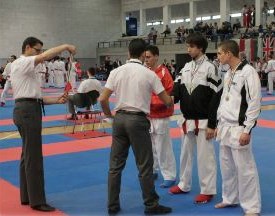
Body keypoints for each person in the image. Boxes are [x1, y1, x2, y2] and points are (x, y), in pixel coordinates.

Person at [99, 38, 173, 215]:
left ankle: (112, 205)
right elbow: (166, 100)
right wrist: (171, 101)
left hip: (119, 119)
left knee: (115, 165)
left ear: (128, 53)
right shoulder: (149, 74)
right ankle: (151, 204)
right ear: (142, 55)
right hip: (138, 120)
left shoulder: (116, 71)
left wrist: (109, 115)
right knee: (145, 165)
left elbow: (102, 98)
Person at [10, 36, 76, 212]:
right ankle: (37, 200)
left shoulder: (26, 68)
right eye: (37, 50)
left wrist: (56, 100)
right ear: (28, 48)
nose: (39, 54)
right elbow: (44, 57)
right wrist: (65, 44)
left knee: (27, 155)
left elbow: (35, 96)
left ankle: (27, 196)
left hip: (29, 108)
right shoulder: (22, 62)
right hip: (27, 111)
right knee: (34, 157)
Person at [169, 33, 223, 204]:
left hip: (205, 120)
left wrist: (213, 125)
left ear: (200, 48)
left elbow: (216, 97)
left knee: (205, 156)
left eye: (191, 46)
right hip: (187, 118)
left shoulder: (211, 68)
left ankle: (207, 190)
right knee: (185, 154)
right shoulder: (185, 67)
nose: (188, 49)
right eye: (188, 46)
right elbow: (176, 89)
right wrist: (169, 99)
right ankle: (184, 184)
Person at [215, 40, 261, 216]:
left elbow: (254, 102)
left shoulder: (248, 72)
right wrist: (219, 123)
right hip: (225, 126)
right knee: (226, 166)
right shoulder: (228, 73)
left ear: (228, 53)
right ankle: (230, 198)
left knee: (245, 168)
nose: (218, 57)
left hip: (239, 127)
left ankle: (252, 207)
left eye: (220, 53)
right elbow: (223, 100)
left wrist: (247, 129)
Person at [145, 45, 177, 188]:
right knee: (149, 147)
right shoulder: (144, 72)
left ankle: (169, 175)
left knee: (163, 147)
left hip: (161, 115)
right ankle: (152, 170)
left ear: (156, 56)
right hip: (147, 115)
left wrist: (149, 103)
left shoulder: (164, 73)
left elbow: (168, 96)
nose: (146, 60)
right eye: (145, 57)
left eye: (149, 57)